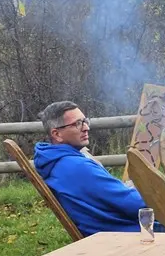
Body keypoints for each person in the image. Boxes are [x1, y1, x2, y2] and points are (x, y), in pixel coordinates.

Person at [32, 100, 145, 236]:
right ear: (57, 134)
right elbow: (134, 204)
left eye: (85, 121)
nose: (86, 128)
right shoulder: (76, 167)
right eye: (77, 124)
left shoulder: (55, 161)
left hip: (108, 229)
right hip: (122, 233)